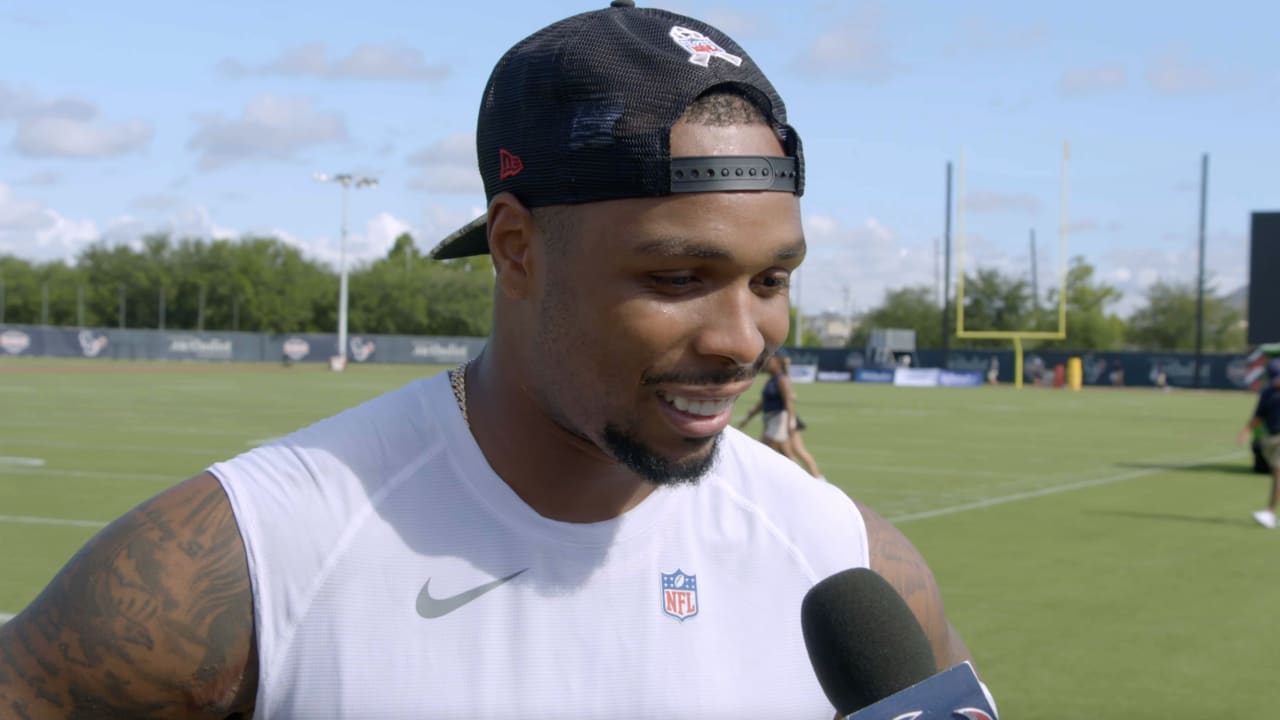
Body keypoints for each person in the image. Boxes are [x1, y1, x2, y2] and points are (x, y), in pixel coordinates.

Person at [0, 3, 983, 718]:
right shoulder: (242, 561)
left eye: (771, 280)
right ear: (515, 248)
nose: (740, 339)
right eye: (679, 276)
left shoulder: (851, 566)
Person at [1238, 358, 1280, 528]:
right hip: (1270, 439)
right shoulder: (1267, 393)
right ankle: (1270, 513)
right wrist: (1245, 431)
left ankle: (1269, 513)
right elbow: (1258, 417)